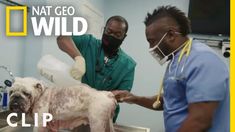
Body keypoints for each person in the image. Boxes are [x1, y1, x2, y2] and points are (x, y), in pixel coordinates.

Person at [113, 6, 229, 132]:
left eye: (151, 41)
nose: (151, 47)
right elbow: (169, 101)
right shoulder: (176, 60)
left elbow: (200, 121)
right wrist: (134, 98)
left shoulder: (203, 60)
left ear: (171, 35)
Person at [57, 15, 136, 123]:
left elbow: (123, 94)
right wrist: (78, 57)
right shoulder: (89, 43)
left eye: (117, 34)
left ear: (124, 37)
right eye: (109, 31)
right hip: (79, 112)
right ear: (104, 29)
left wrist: (99, 97)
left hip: (104, 116)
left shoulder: (128, 65)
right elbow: (62, 38)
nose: (111, 36)